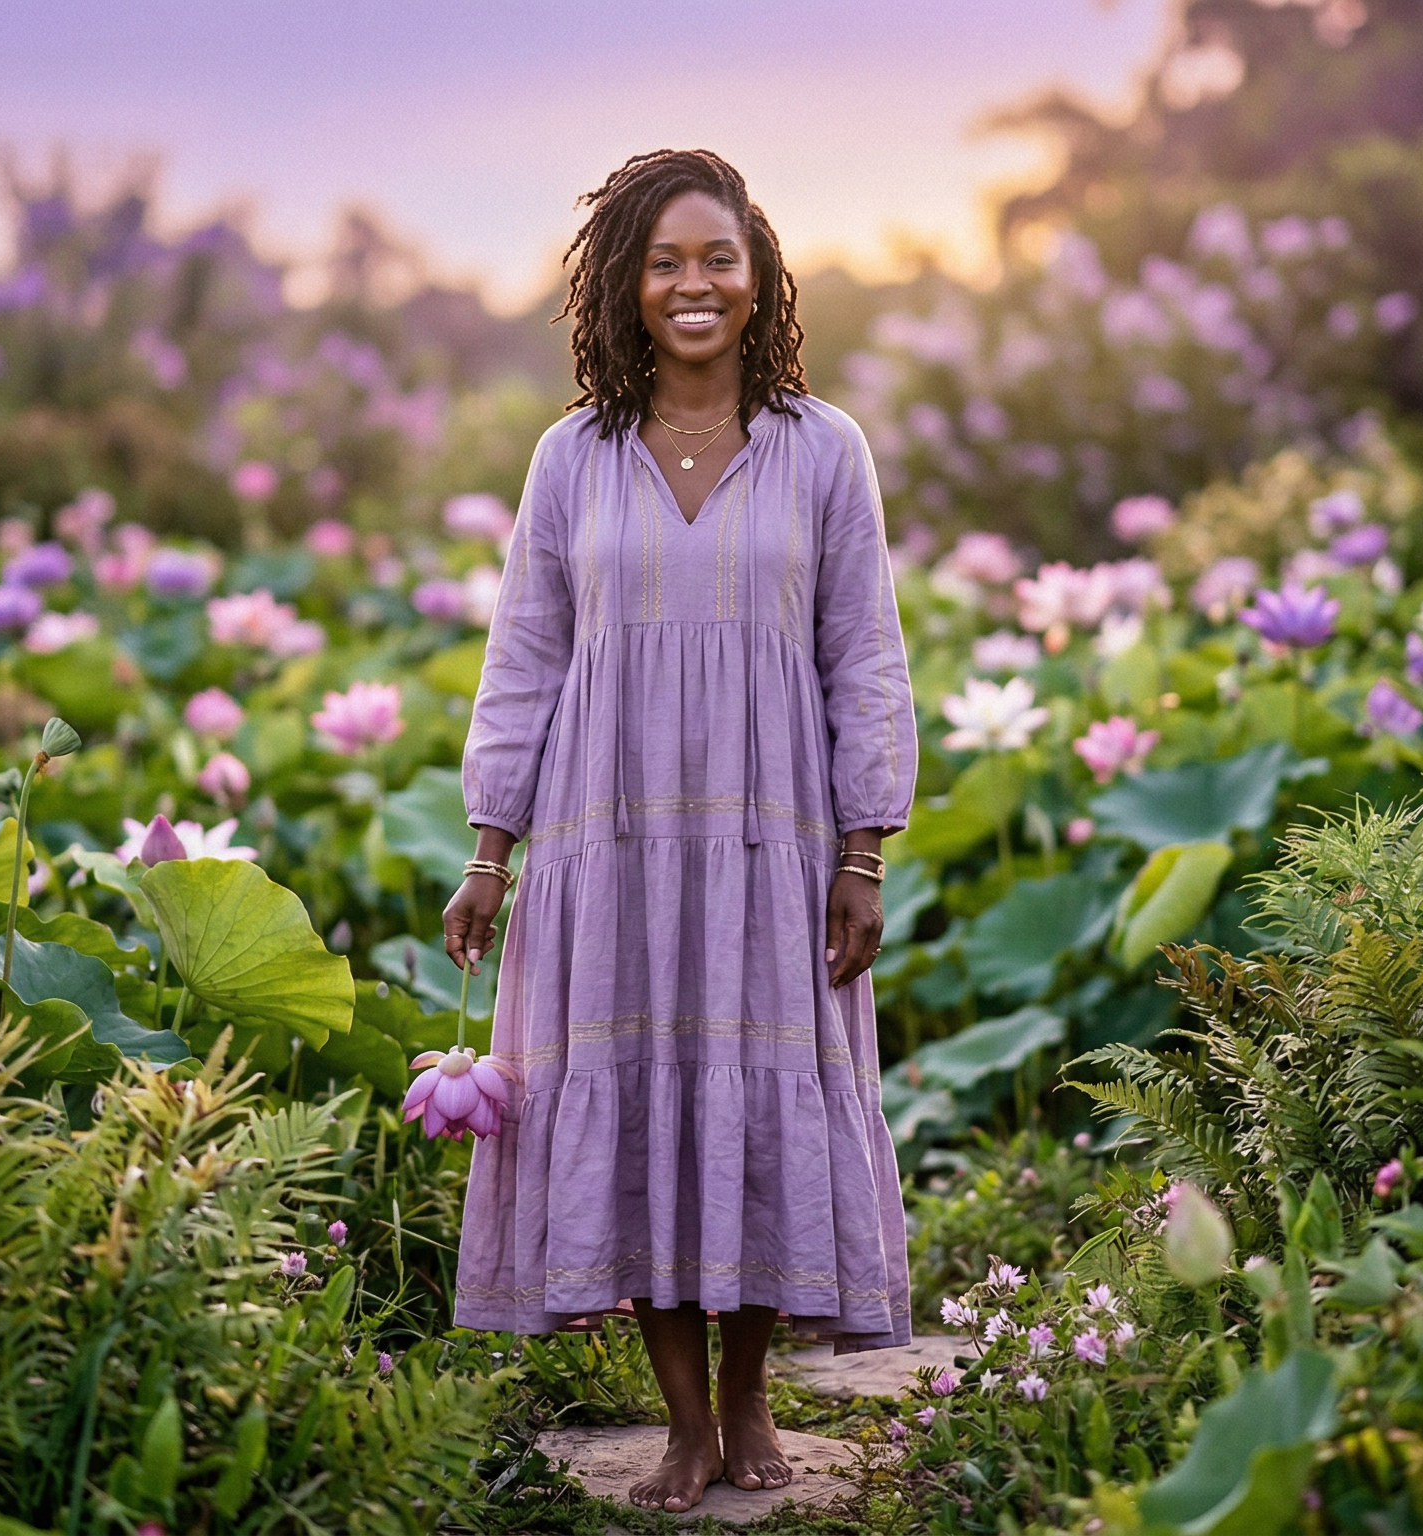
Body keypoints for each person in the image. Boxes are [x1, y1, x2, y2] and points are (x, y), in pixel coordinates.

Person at [441, 148, 916, 1514]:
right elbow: (523, 655)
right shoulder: (571, 458)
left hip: (775, 835)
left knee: (760, 1094)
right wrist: (491, 847)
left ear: (759, 277)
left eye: (718, 259)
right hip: (611, 831)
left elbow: (864, 656)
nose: (693, 284)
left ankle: (755, 1389)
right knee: (639, 1091)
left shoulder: (825, 450)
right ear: (623, 287)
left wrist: (864, 848)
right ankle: (687, 1422)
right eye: (665, 262)